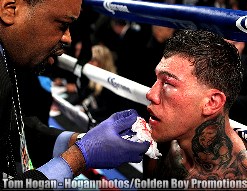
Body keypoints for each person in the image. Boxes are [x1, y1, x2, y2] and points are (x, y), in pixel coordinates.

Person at [0, 0, 149, 189]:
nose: (68, 38)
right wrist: (79, 156)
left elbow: (13, 133)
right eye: (63, 25)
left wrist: (81, 142)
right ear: (10, 10)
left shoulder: (11, 59)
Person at [143, 30, 247, 186]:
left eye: (168, 83)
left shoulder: (240, 181)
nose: (150, 94)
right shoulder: (161, 143)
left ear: (211, 102)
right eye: (157, 79)